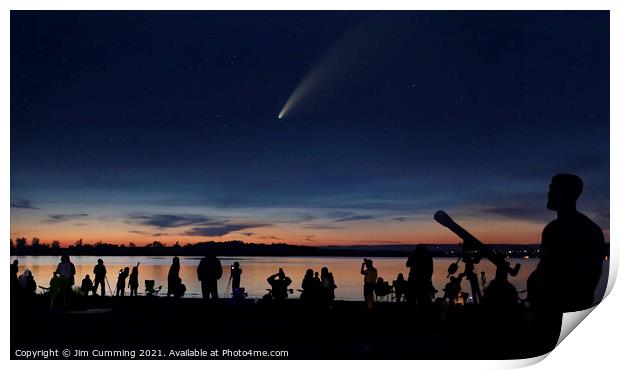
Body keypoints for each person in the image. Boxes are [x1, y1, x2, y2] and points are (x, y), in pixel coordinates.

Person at [527, 174, 605, 352]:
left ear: (566, 193)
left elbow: (545, 272)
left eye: (553, 188)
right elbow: (592, 278)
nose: (549, 192)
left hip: (551, 316)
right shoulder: (593, 229)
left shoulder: (554, 230)